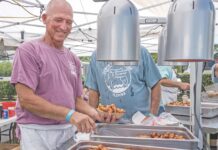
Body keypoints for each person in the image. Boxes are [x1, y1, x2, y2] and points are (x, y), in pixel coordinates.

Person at [10, 0, 102, 149]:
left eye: (69, 22)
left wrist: (96, 114)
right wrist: (71, 115)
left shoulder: (73, 59)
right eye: (58, 20)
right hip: (38, 132)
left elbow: (76, 99)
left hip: (67, 130)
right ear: (45, 18)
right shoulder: (28, 51)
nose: (64, 27)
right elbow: (27, 99)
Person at [85, 47, 162, 122]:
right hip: (110, 122)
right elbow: (93, 91)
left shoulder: (140, 51)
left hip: (140, 121)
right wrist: (93, 119)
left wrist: (152, 115)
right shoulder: (97, 56)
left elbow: (155, 84)